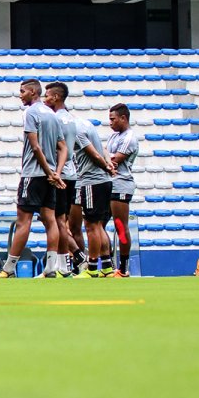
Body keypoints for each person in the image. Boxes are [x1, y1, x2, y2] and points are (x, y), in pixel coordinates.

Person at [0, 79, 67, 279]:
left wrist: (48, 172)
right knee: (50, 220)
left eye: (22, 91)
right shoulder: (52, 114)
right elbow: (63, 147)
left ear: (33, 92)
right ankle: (50, 268)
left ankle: (8, 269)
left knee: (23, 221)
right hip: (50, 176)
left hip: (33, 174)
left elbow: (35, 146)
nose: (20, 95)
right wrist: (56, 172)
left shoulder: (31, 113)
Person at [71, 115, 118, 278]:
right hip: (103, 182)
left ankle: (91, 269)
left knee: (91, 226)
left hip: (91, 181)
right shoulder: (86, 124)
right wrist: (108, 163)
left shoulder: (75, 129)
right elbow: (102, 149)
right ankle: (107, 267)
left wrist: (107, 167)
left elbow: (94, 154)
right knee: (98, 226)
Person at [44, 82, 81, 276]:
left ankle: (63, 265)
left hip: (60, 173)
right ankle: (69, 261)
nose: (45, 99)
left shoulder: (54, 118)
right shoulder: (71, 118)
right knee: (62, 221)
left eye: (47, 96)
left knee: (57, 221)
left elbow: (55, 147)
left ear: (56, 97)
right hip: (71, 173)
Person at [105, 103, 139, 278]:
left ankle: (123, 267)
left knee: (120, 226)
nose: (110, 123)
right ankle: (107, 265)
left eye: (113, 119)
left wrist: (104, 157)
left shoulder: (129, 138)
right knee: (98, 225)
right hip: (108, 183)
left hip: (121, 184)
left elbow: (114, 160)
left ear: (123, 118)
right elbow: (104, 155)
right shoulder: (114, 136)